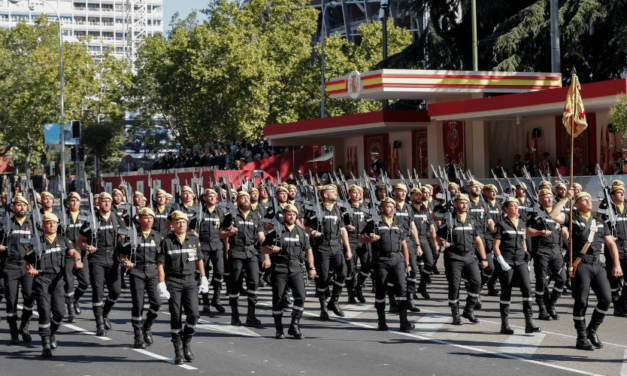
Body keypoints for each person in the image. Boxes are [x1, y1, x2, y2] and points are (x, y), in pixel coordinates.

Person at [550, 190, 623, 350]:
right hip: (581, 264)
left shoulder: (599, 222)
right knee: (582, 301)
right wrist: (565, 199)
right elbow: (554, 215)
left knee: (606, 299)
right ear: (576, 204)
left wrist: (617, 265)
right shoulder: (572, 218)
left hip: (598, 265)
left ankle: (592, 330)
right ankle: (581, 337)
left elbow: (611, 244)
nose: (589, 201)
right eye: (584, 200)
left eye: (590, 199)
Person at [24, 213, 83, 358]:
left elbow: (73, 251)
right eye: (48, 223)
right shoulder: (36, 242)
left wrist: (78, 259)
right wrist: (30, 270)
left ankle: (51, 334)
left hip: (58, 280)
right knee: (44, 312)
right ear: (43, 225)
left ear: (58, 225)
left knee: (60, 313)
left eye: (54, 223)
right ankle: (45, 344)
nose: (51, 225)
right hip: (42, 279)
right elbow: (27, 262)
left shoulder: (63, 241)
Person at [157, 210, 209, 364]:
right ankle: (178, 350)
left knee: (194, 315)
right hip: (173, 282)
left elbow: (199, 260)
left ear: (187, 223)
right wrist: (161, 284)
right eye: (177, 222)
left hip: (190, 281)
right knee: (176, 315)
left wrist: (204, 278)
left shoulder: (193, 239)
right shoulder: (166, 241)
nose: (181, 224)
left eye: (184, 222)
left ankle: (186, 341)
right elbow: (160, 265)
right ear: (172, 224)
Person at [359, 197, 415, 332]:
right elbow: (361, 237)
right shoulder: (374, 223)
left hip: (398, 260)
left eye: (393, 207)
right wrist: (370, 239)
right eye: (388, 206)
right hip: (381, 261)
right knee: (381, 290)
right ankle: (381, 322)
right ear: (382, 208)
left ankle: (404, 322)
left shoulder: (398, 223)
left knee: (402, 289)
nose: (391, 209)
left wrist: (407, 262)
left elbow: (403, 244)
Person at [262, 204, 315, 339]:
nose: (291, 216)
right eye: (288, 214)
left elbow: (308, 249)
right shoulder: (276, 230)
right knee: (278, 298)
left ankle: (294, 325)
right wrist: (271, 251)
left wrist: (311, 267)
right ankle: (279, 328)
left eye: (293, 214)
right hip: (280, 268)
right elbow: (263, 248)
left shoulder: (301, 231)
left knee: (301, 296)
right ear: (284, 215)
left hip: (296, 268)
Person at [76, 192, 126, 337]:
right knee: (98, 292)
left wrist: (126, 254)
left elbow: (124, 239)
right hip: (96, 259)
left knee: (115, 291)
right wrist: (87, 247)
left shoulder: (117, 219)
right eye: (103, 201)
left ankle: (105, 313)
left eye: (108, 201)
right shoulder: (90, 221)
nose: (106, 203)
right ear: (98, 203)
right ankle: (99, 323)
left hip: (113, 259)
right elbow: (80, 242)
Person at [436, 194, 488, 325]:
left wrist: (484, 258)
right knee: (454, 285)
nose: (464, 205)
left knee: (477, 282)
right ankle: (456, 314)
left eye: (466, 202)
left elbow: (477, 240)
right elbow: (438, 237)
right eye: (461, 202)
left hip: (470, 257)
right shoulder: (449, 220)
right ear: (455, 204)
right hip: (453, 257)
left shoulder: (472, 220)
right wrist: (443, 242)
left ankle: (468, 310)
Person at [493, 197, 541, 334]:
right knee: (506, 291)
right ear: (506, 209)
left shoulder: (521, 223)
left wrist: (526, 254)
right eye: (512, 206)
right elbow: (496, 246)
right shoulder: (501, 224)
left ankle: (529, 322)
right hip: (507, 260)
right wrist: (501, 261)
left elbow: (523, 240)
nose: (515, 208)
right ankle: (504, 324)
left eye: (517, 206)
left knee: (527, 290)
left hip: (520, 260)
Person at [305, 185, 352, 319]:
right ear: (325, 195)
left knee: (343, 273)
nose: (335, 194)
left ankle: (334, 301)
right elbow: (306, 226)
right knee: (324, 278)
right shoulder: (316, 209)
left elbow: (342, 230)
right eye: (332, 192)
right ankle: (323, 307)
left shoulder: (337, 209)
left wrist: (347, 249)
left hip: (337, 246)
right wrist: (313, 232)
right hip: (322, 247)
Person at [221, 191, 267, 326]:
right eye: (243, 198)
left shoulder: (255, 215)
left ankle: (251, 316)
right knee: (235, 284)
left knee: (254, 282)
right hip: (236, 252)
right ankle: (235, 316)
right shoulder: (231, 216)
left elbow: (261, 237)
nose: (246, 200)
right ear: (238, 201)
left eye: (247, 197)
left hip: (251, 252)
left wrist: (266, 256)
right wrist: (230, 232)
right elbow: (221, 234)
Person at [119, 207, 162, 349]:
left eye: (151, 217)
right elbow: (122, 255)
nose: (148, 220)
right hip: (136, 271)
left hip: (152, 272)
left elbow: (162, 258)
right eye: (145, 217)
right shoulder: (131, 235)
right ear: (139, 220)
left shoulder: (157, 236)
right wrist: (126, 262)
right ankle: (138, 334)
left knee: (156, 302)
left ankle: (147, 326)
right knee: (138, 303)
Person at [0, 195, 36, 344]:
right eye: (19, 205)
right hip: (10, 266)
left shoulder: (33, 223)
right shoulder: (5, 223)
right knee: (11, 300)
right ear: (13, 207)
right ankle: (13, 330)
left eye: (24, 205)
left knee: (30, 297)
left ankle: (24, 327)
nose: (22, 208)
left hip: (27, 266)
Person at [526, 188, 566, 321]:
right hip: (542, 250)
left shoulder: (557, 213)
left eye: (551, 196)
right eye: (546, 197)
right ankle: (542, 309)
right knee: (541, 280)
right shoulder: (535, 214)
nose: (550, 199)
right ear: (540, 199)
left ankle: (551, 305)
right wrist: (540, 232)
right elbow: (527, 231)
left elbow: (564, 229)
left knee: (562, 278)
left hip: (557, 250)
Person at [193, 189, 227, 314]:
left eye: (214, 196)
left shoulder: (220, 212)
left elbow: (225, 230)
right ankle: (206, 302)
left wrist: (227, 247)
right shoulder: (199, 212)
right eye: (209, 196)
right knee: (203, 275)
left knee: (219, 272)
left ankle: (216, 300)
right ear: (205, 198)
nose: (212, 198)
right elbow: (193, 229)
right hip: (203, 246)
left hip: (217, 246)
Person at [392, 183, 422, 312]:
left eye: (405, 191)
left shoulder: (409, 208)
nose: (403, 193)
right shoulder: (389, 206)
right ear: (395, 192)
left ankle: (410, 299)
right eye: (400, 191)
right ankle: (393, 301)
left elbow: (413, 226)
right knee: (394, 273)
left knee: (413, 270)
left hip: (408, 241)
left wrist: (418, 245)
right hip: (394, 241)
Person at [599, 181, 627, 317]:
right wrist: (607, 235)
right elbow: (598, 221)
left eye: (623, 191)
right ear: (612, 195)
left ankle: (623, 302)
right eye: (619, 192)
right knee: (614, 279)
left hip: (626, 245)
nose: (622, 194)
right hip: (614, 246)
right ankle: (617, 307)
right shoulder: (606, 206)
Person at [62, 192, 90, 323]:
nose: (74, 203)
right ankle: (70, 311)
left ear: (80, 202)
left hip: (82, 253)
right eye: (71, 200)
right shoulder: (62, 216)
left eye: (76, 200)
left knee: (85, 282)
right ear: (68, 202)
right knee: (69, 283)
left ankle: (75, 299)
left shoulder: (86, 216)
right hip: (68, 254)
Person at [344, 184, 371, 304]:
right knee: (350, 268)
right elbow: (338, 223)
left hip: (364, 239)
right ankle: (351, 294)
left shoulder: (366, 206)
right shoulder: (344, 206)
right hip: (351, 240)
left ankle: (358, 286)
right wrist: (346, 226)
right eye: (354, 192)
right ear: (349, 194)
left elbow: (371, 222)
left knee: (367, 266)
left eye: (360, 193)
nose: (358, 195)